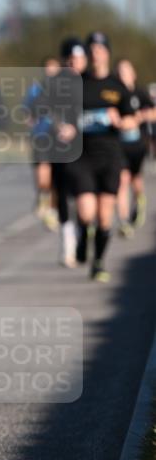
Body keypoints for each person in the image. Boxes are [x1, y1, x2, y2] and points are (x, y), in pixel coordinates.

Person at [66, 32, 135, 282]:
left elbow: (132, 118)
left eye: (99, 49)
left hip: (109, 156)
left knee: (105, 216)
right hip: (81, 156)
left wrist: (121, 120)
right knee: (86, 212)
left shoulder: (117, 87)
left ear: (107, 53)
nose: (95, 53)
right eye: (91, 49)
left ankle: (98, 262)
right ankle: (84, 235)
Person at [48, 38, 87, 267]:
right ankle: (68, 244)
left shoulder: (91, 81)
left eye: (80, 58)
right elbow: (47, 110)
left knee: (84, 197)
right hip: (61, 147)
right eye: (71, 58)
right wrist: (58, 125)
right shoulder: (55, 83)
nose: (76, 62)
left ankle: (84, 236)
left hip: (88, 148)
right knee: (63, 195)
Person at [114, 58, 155, 236]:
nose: (123, 75)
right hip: (119, 145)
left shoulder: (141, 92)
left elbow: (154, 113)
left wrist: (138, 118)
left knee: (135, 180)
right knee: (122, 181)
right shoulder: (114, 94)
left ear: (133, 73)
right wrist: (120, 122)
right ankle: (124, 222)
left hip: (138, 144)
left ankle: (139, 200)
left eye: (126, 71)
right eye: (120, 72)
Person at [24, 56, 61, 230]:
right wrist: (29, 119)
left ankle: (52, 211)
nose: (50, 72)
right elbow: (26, 111)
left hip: (60, 139)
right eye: (47, 68)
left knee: (56, 179)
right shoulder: (35, 90)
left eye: (54, 69)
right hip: (41, 136)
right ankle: (42, 196)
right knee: (42, 173)